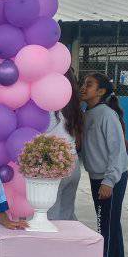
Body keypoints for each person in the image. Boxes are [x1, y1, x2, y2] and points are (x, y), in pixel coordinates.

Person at [80, 72, 128, 257]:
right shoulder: (88, 113)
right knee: (110, 222)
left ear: (100, 91)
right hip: (97, 176)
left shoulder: (107, 115)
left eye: (89, 84)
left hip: (110, 177)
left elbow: (117, 151)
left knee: (105, 225)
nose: (83, 87)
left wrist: (109, 181)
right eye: (83, 83)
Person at [47, 68, 85, 221]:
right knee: (67, 215)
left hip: (53, 165)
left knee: (51, 217)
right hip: (73, 163)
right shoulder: (73, 106)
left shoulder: (47, 105)